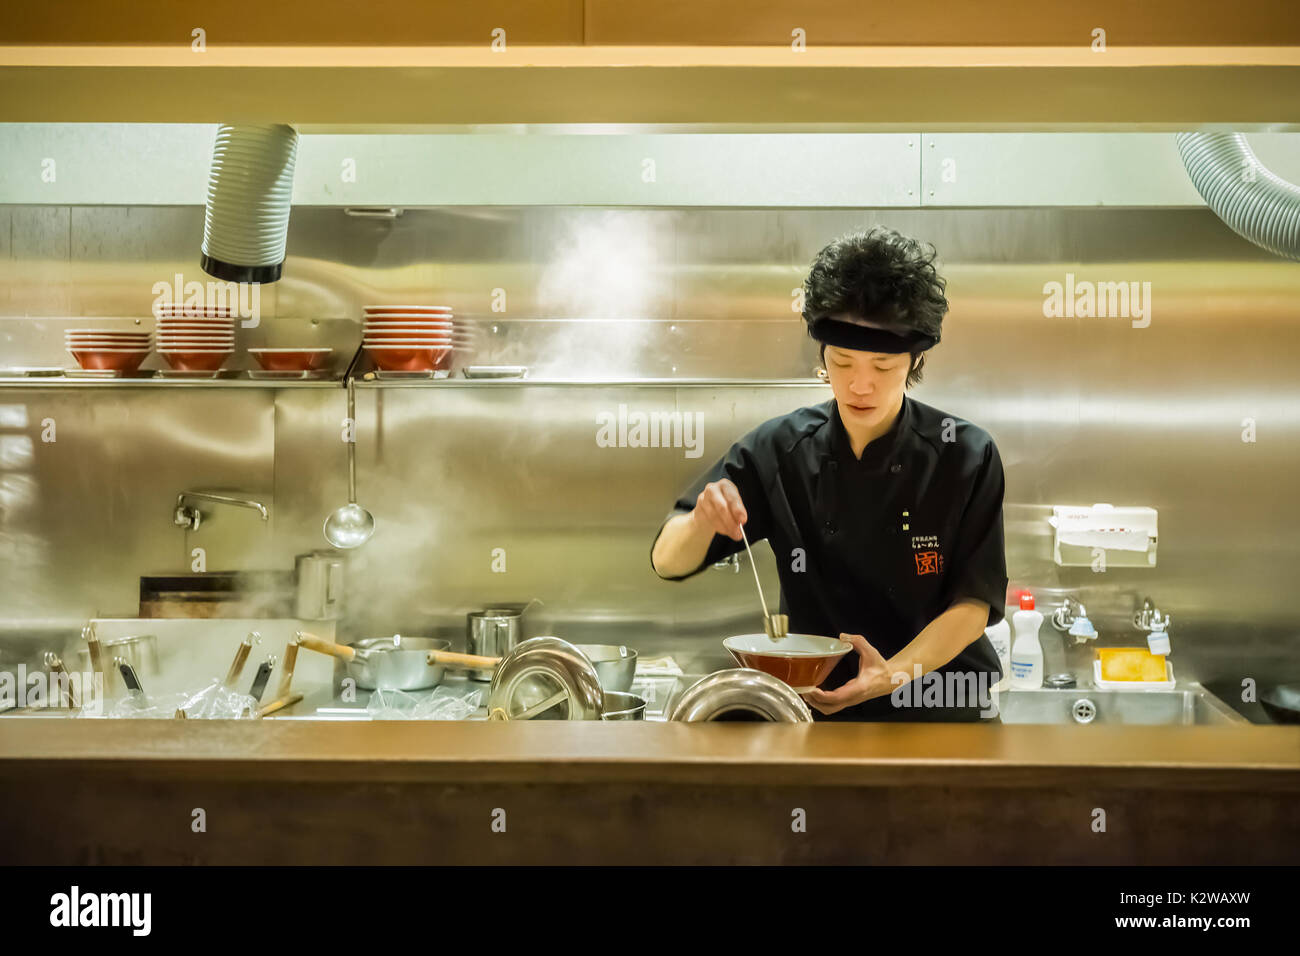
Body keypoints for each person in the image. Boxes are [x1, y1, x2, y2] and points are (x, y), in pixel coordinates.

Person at [650, 227, 1008, 721]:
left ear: (916, 359)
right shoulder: (780, 449)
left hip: (940, 711)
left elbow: (973, 606)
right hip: (817, 717)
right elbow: (668, 560)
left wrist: (891, 675)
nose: (860, 384)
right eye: (842, 361)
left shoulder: (966, 454)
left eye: (883, 366)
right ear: (822, 355)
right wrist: (701, 522)